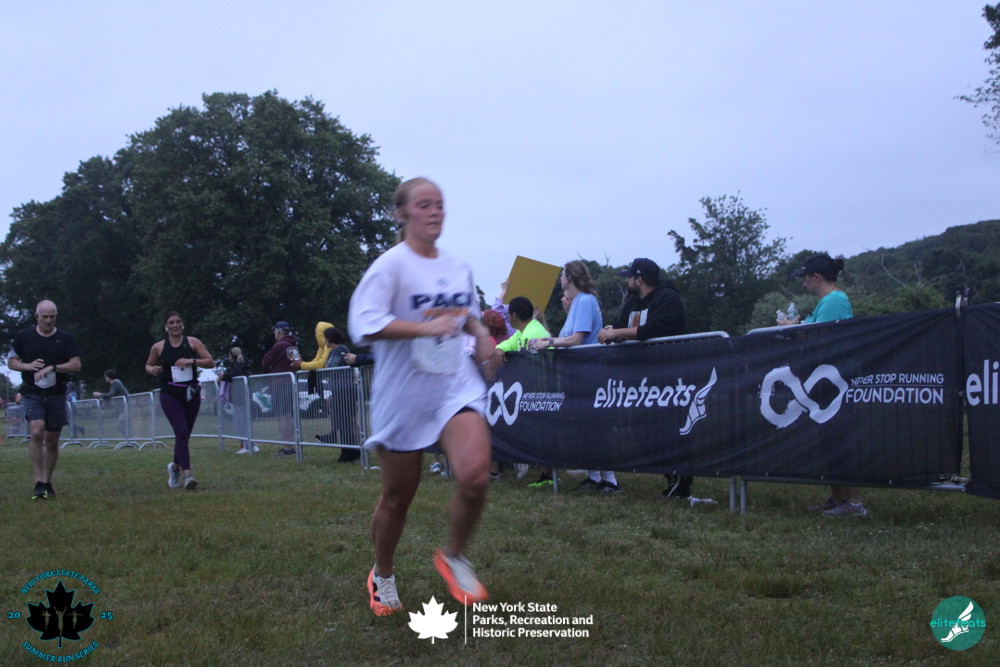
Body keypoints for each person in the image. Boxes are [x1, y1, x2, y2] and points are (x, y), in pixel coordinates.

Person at [349, 177, 495, 616]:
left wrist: (482, 335)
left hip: (453, 385)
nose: (435, 212)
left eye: (440, 205)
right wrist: (423, 328)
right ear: (401, 213)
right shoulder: (390, 266)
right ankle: (382, 574)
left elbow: (467, 315)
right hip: (404, 393)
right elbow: (364, 323)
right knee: (398, 496)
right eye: (424, 205)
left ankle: (453, 556)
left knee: (475, 476)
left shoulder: (457, 266)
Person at [597, 258, 695, 501]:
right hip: (641, 379)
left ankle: (680, 480)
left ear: (639, 279)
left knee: (670, 427)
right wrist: (612, 331)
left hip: (669, 376)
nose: (627, 281)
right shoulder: (632, 301)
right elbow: (621, 327)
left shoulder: (667, 298)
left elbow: (654, 329)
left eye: (629, 277)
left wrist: (617, 333)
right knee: (641, 428)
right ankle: (669, 474)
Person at [781, 253, 865, 517]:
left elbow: (819, 338)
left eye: (805, 278)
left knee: (842, 440)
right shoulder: (827, 302)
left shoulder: (833, 301)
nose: (803, 284)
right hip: (827, 379)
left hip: (837, 379)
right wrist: (795, 327)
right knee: (831, 439)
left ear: (816, 277)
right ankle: (838, 498)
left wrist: (794, 329)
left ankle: (853, 502)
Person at [528, 261, 619, 493]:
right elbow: (568, 337)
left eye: (562, 274)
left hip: (589, 372)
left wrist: (547, 342)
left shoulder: (585, 301)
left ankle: (610, 480)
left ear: (569, 277)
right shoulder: (578, 302)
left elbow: (577, 339)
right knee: (585, 426)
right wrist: (545, 340)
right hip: (579, 373)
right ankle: (594, 477)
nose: (560, 278)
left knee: (595, 426)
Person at [8, 300, 81, 500]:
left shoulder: (65, 338)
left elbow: (76, 365)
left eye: (52, 317)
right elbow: (12, 362)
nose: (48, 320)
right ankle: (39, 482)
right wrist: (28, 366)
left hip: (56, 393)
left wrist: (53, 367)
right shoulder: (24, 336)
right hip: (32, 392)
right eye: (44, 317)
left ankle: (48, 481)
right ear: (36, 316)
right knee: (36, 430)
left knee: (52, 439)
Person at [145, 311, 213, 490]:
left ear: (182, 324)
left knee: (184, 435)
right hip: (170, 394)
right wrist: (152, 370)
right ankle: (188, 475)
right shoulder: (159, 347)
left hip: (191, 393)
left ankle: (174, 468)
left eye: (178, 322)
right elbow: (148, 365)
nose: (175, 325)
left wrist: (192, 361)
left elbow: (210, 362)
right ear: (166, 326)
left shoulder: (193, 342)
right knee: (181, 431)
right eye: (171, 322)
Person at [314, 326, 362, 463]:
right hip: (338, 389)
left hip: (345, 389)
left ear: (329, 339)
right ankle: (350, 450)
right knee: (343, 421)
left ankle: (348, 452)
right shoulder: (332, 352)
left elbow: (333, 368)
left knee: (345, 422)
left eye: (325, 339)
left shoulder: (341, 349)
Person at [262, 320, 300, 457]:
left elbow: (265, 362)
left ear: (278, 331)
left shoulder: (280, 345)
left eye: (275, 331)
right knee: (288, 416)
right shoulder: (292, 345)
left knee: (281, 416)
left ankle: (287, 447)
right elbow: (296, 363)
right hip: (289, 382)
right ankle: (291, 445)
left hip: (279, 383)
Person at [217, 347, 255, 453]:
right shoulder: (244, 364)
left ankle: (247, 445)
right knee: (244, 421)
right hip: (243, 396)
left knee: (241, 422)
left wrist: (224, 375)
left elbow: (236, 374)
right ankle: (251, 444)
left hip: (240, 397)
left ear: (231, 356)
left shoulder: (236, 365)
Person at [93, 369, 130, 438]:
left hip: (126, 407)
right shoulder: (115, 383)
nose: (105, 378)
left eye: (105, 377)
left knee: (121, 425)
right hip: (124, 408)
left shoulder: (115, 382)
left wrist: (99, 394)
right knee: (122, 426)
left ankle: (130, 438)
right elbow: (110, 395)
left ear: (108, 377)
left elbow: (110, 394)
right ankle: (129, 439)